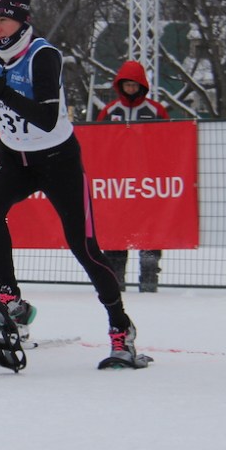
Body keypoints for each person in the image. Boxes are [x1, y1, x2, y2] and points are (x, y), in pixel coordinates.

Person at [0, 0, 147, 369]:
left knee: (85, 247)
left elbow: (44, 117)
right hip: (14, 156)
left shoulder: (43, 55)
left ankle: (120, 328)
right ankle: (10, 298)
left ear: (22, 20)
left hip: (57, 158)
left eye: (3, 19)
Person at [99, 60, 170, 293]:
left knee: (149, 229)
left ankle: (149, 276)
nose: (130, 89)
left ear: (142, 86)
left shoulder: (155, 110)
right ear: (120, 86)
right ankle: (115, 276)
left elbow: (168, 141)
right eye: (126, 85)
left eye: (134, 85)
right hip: (118, 183)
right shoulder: (109, 111)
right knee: (116, 230)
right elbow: (98, 141)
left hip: (147, 182)